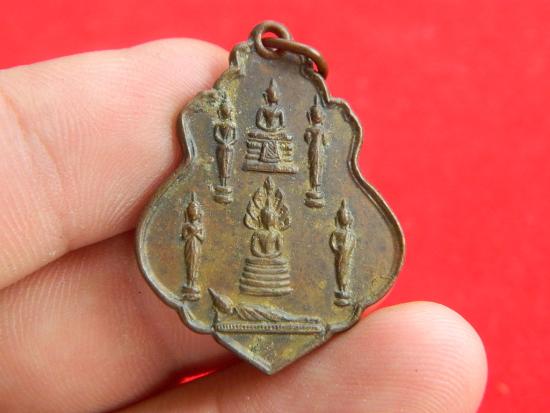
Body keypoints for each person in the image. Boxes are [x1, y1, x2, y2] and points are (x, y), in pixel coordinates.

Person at [0, 39, 487, 412]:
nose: (272, 103)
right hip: (249, 233)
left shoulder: (306, 154)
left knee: (274, 251)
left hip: (272, 241)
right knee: (260, 250)